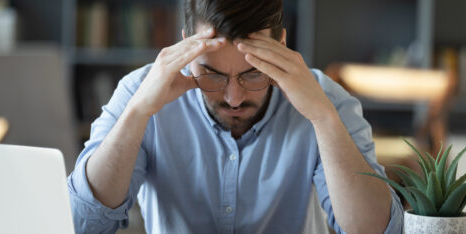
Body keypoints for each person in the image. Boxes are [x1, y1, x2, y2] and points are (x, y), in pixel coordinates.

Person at [67, 0, 403, 233]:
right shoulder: (140, 92)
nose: (234, 98)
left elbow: (375, 230)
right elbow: (80, 224)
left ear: (282, 46)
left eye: (253, 73)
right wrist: (138, 113)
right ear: (187, 46)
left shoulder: (326, 101)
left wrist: (323, 118)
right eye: (211, 74)